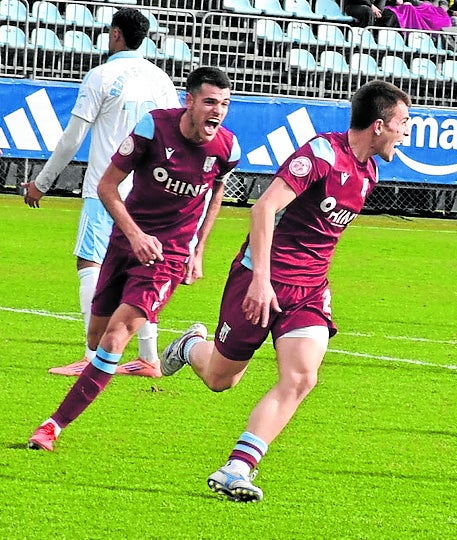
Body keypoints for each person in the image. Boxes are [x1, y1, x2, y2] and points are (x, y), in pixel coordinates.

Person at [160, 80, 412, 502]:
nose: (406, 132)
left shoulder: (369, 172)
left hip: (309, 291)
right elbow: (264, 208)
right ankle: (190, 347)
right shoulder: (321, 155)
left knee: (302, 377)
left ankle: (237, 468)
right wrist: (260, 280)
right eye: (403, 122)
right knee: (222, 378)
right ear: (379, 125)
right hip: (258, 280)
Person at [27, 67, 241, 452]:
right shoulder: (153, 128)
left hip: (167, 256)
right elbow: (107, 186)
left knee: (115, 337)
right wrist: (135, 235)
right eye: (210, 102)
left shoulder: (227, 148)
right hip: (126, 242)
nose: (218, 111)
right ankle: (189, 344)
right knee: (96, 337)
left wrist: (198, 248)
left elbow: (217, 192)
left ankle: (52, 426)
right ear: (189, 101)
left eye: (224, 104)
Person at [22, 7, 181, 379]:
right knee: (145, 267)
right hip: (149, 193)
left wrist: (42, 183)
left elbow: (73, 138)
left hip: (107, 189)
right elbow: (174, 135)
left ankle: (91, 354)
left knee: (90, 263)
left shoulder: (101, 76)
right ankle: (148, 357)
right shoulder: (160, 79)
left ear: (116, 34)